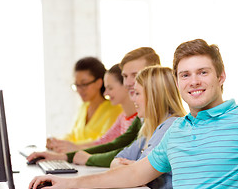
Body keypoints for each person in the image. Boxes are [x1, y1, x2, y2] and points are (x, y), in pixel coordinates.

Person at [30, 39, 238, 189]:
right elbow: (134, 174)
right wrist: (68, 184)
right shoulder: (178, 130)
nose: (194, 81)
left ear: (221, 76)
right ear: (176, 82)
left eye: (203, 72)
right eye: (185, 75)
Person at [28, 47, 160, 167]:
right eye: (125, 76)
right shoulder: (141, 118)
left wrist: (84, 158)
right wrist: (62, 155)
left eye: (136, 75)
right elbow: (117, 146)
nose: (130, 82)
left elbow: (123, 153)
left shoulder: (165, 121)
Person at [53, 64, 138, 153]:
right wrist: (62, 145)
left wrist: (77, 150)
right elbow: (105, 142)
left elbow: (116, 148)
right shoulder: (122, 117)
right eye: (77, 85)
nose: (106, 94)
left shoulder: (134, 117)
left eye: (110, 88)